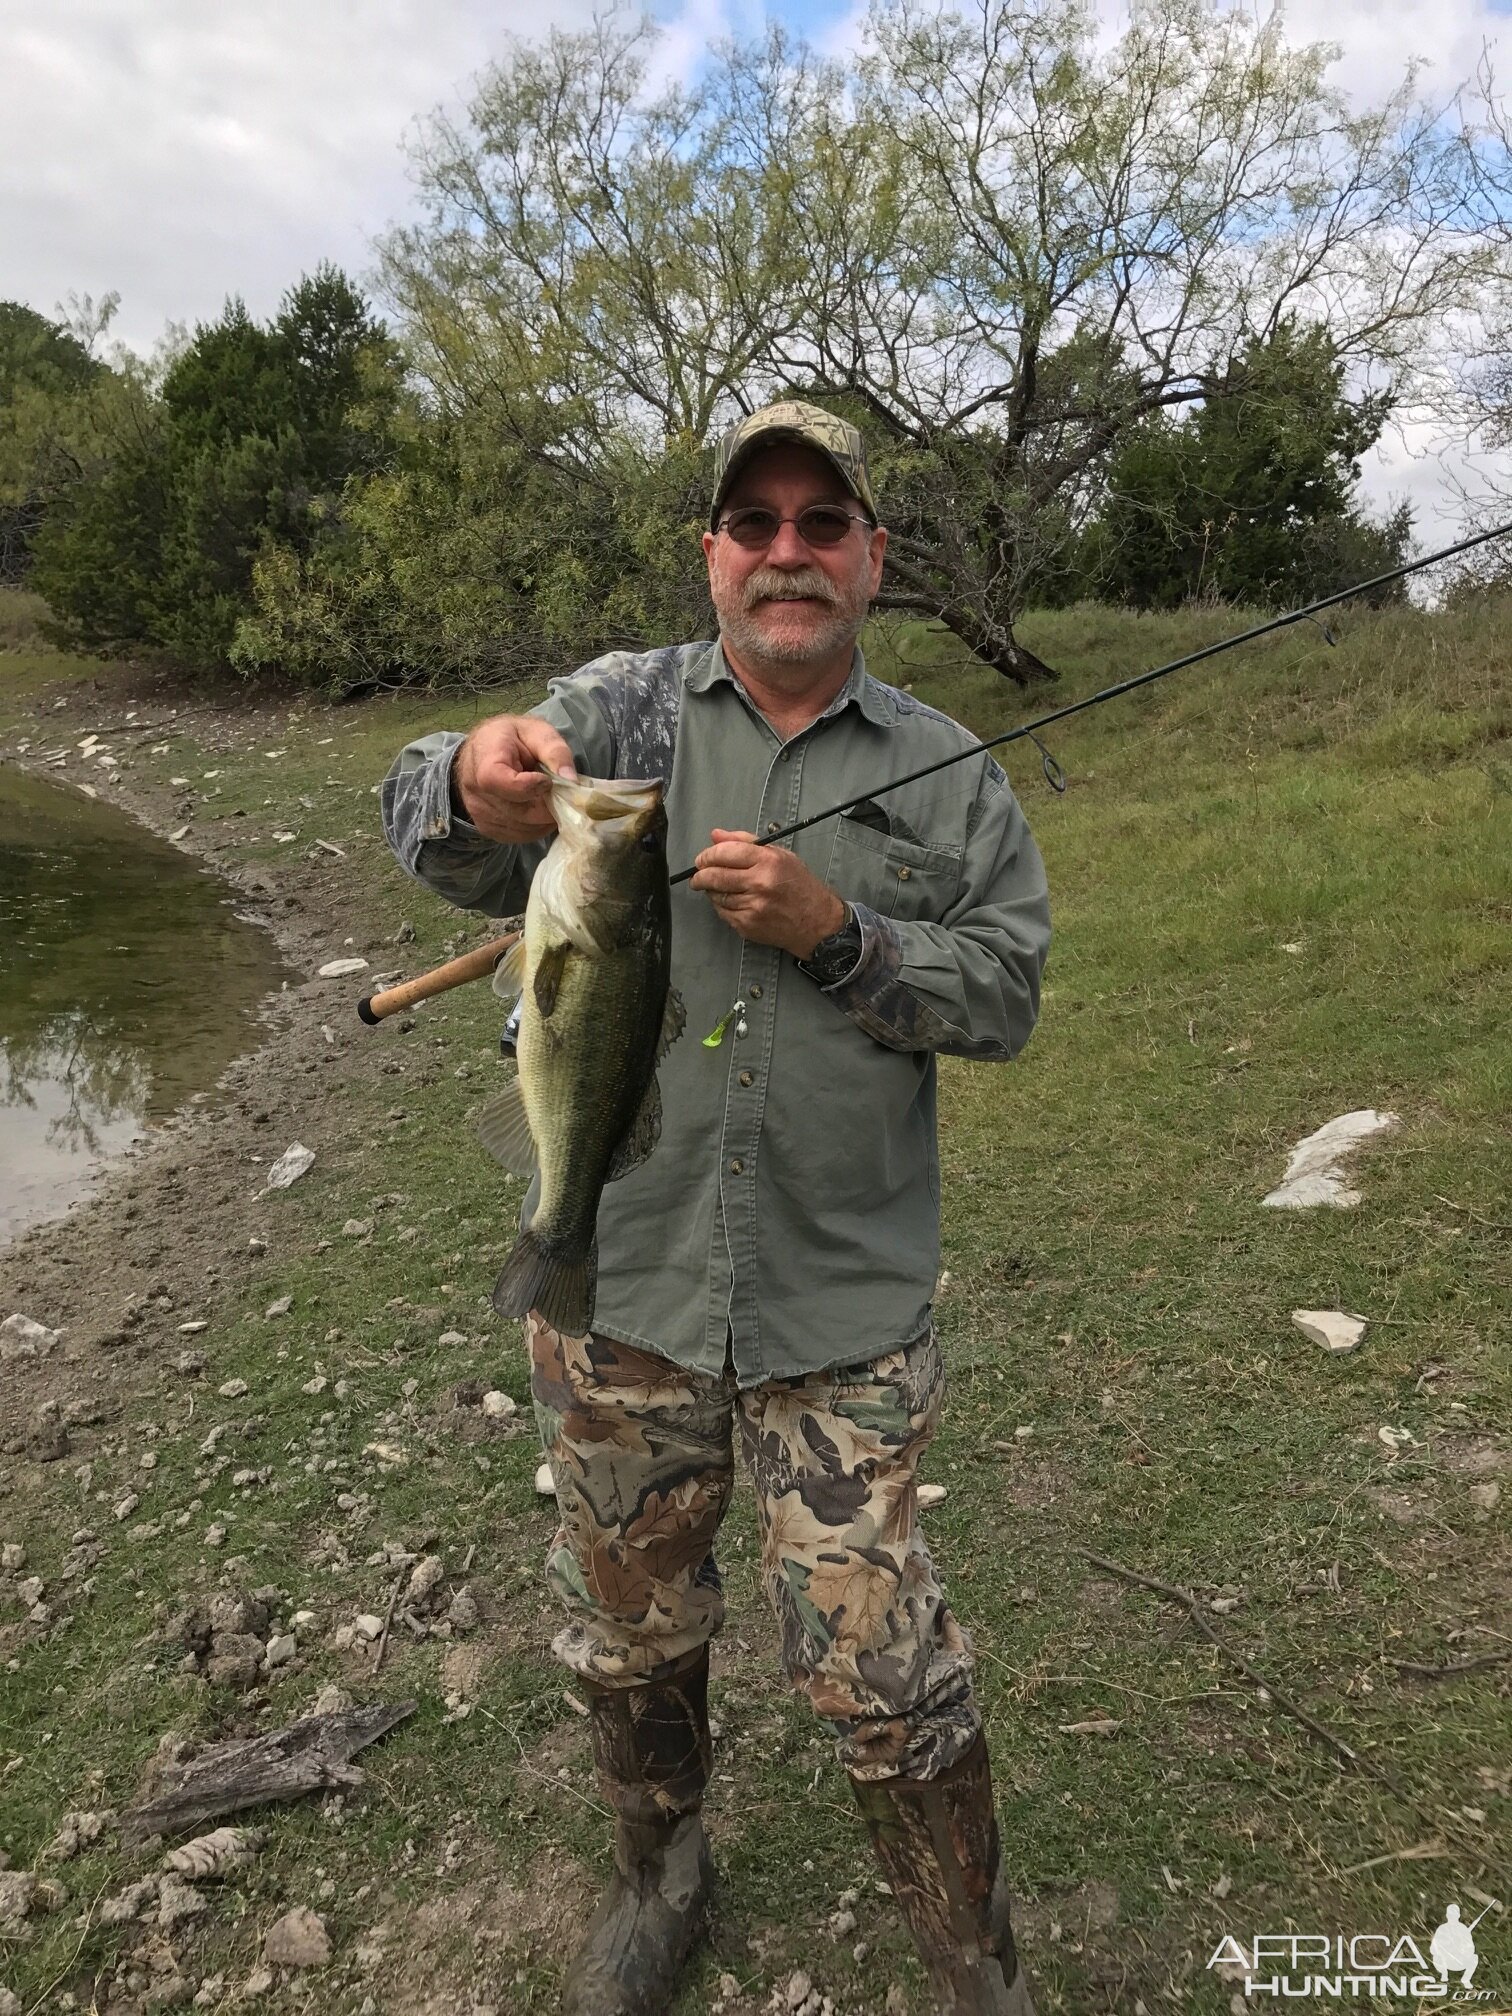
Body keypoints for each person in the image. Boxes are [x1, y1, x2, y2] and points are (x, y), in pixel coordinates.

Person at [381, 401, 1051, 2016]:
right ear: (712, 557)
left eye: (825, 522)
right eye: (755, 524)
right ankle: (660, 1875)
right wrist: (474, 777)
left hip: (842, 1304)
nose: (788, 552)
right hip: (628, 1292)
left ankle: (977, 1968)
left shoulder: (947, 771)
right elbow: (425, 816)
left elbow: (1009, 992)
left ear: (874, 558)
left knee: (887, 1673)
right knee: (628, 1632)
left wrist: (844, 933)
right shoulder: (616, 717)